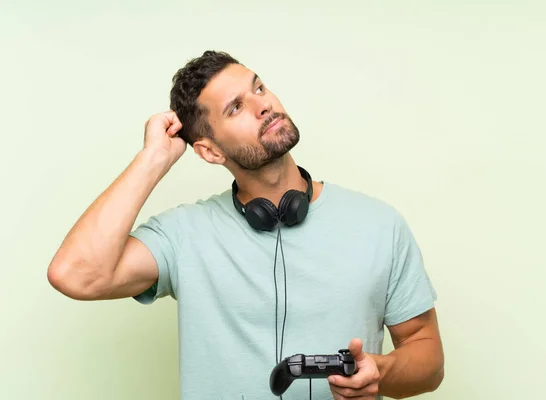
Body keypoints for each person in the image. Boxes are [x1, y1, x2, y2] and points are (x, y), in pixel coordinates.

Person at [47, 50, 444, 400]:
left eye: (259, 88)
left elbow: (428, 357)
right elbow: (75, 274)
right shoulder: (184, 235)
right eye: (235, 108)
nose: (264, 105)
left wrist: (382, 373)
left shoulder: (378, 223)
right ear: (210, 150)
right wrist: (154, 158)